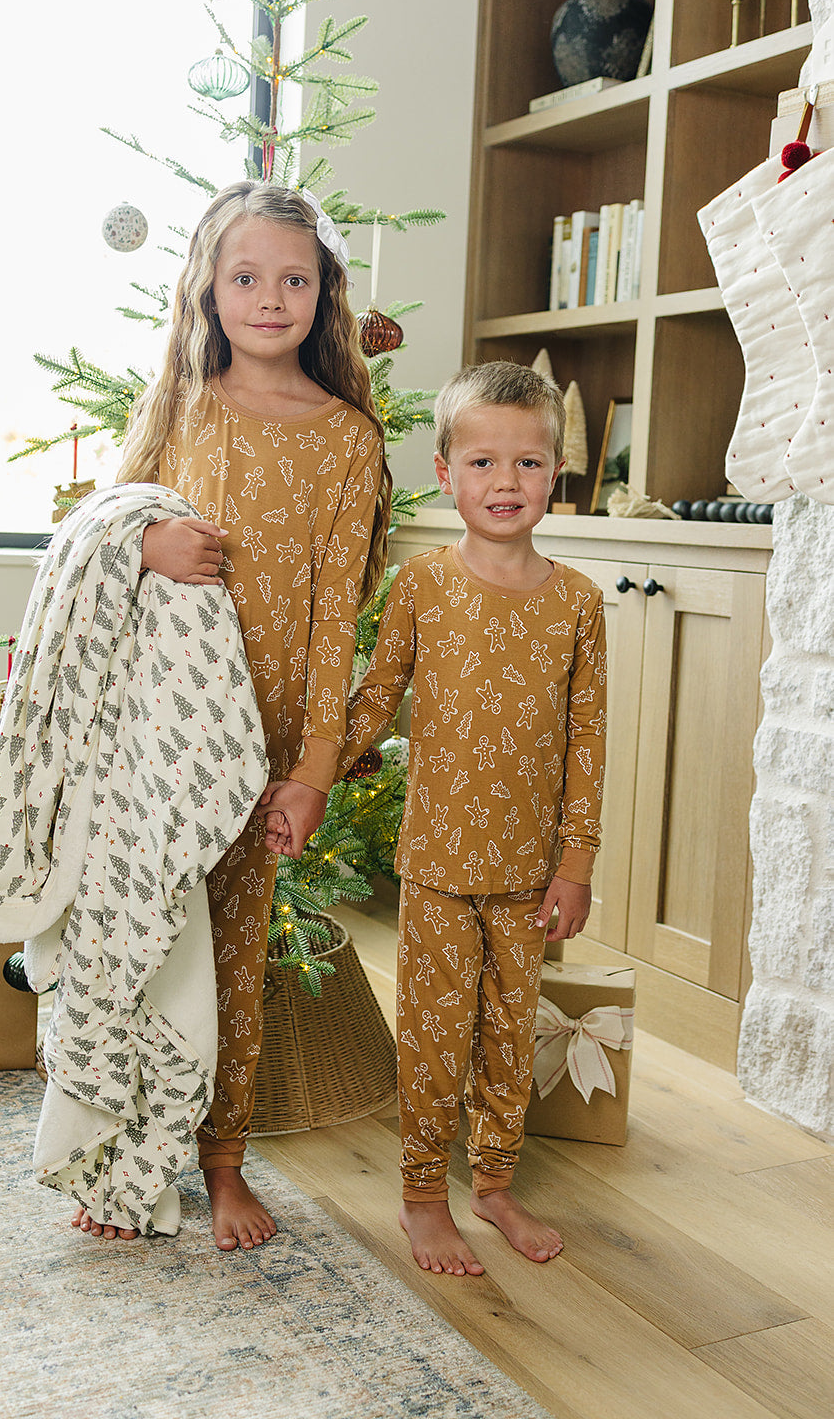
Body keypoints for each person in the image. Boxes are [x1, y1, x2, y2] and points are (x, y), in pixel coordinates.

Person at [73, 179, 391, 1250]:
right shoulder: (179, 405)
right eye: (245, 276)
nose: (268, 298)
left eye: (293, 280)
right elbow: (105, 527)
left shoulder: (346, 438)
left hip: (261, 742)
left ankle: (221, 1166)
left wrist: (312, 767)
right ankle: (121, 1161)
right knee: (138, 937)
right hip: (157, 729)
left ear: (323, 292)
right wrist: (144, 543)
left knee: (234, 949)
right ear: (207, 287)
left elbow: (336, 618)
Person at [311, 361, 606, 1277]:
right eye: (482, 462)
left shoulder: (578, 602)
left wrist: (575, 865)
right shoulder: (421, 583)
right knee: (436, 1032)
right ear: (445, 473)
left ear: (553, 472)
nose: (504, 481)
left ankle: (494, 1184)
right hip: (437, 862)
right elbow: (375, 696)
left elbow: (587, 740)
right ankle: (420, 1197)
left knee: (509, 1032)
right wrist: (311, 771)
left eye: (526, 462)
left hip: (528, 870)